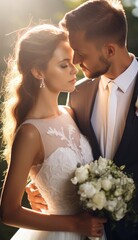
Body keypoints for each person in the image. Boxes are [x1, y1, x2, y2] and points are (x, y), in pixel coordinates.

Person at [26, 1, 138, 240]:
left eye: (82, 52)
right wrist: (40, 185)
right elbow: (63, 146)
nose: (75, 60)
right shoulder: (77, 93)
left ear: (110, 50)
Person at [0, 23, 107, 240]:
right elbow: (8, 212)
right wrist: (76, 224)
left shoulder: (69, 112)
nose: (74, 70)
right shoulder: (30, 133)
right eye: (63, 65)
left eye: (72, 62)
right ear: (38, 72)